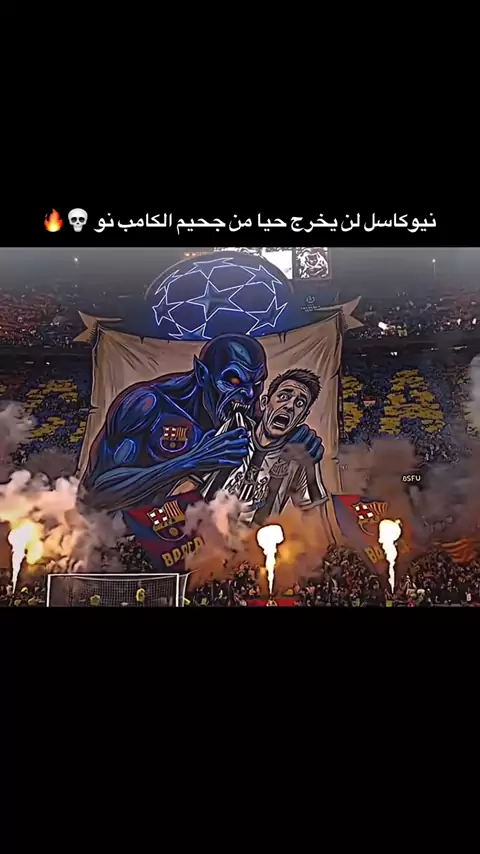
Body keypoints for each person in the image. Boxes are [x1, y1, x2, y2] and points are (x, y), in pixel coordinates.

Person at [205, 369, 327, 527]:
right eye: (284, 396)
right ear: (264, 403)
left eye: (300, 403)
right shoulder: (234, 429)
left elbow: (315, 513)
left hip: (253, 540)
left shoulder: (299, 454)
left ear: (302, 417)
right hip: (204, 533)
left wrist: (309, 465)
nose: (290, 406)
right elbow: (194, 479)